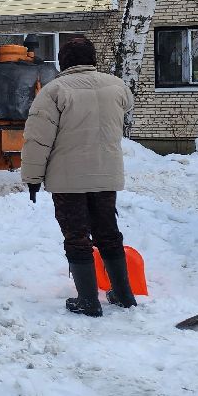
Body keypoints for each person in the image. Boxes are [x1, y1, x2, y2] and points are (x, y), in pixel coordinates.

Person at [20, 35, 136, 318]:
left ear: (63, 62)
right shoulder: (117, 86)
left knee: (77, 236)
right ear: (93, 59)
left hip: (68, 180)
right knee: (109, 233)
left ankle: (88, 301)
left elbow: (38, 140)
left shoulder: (54, 91)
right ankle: (123, 295)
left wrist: (32, 179)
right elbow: (127, 108)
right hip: (106, 176)